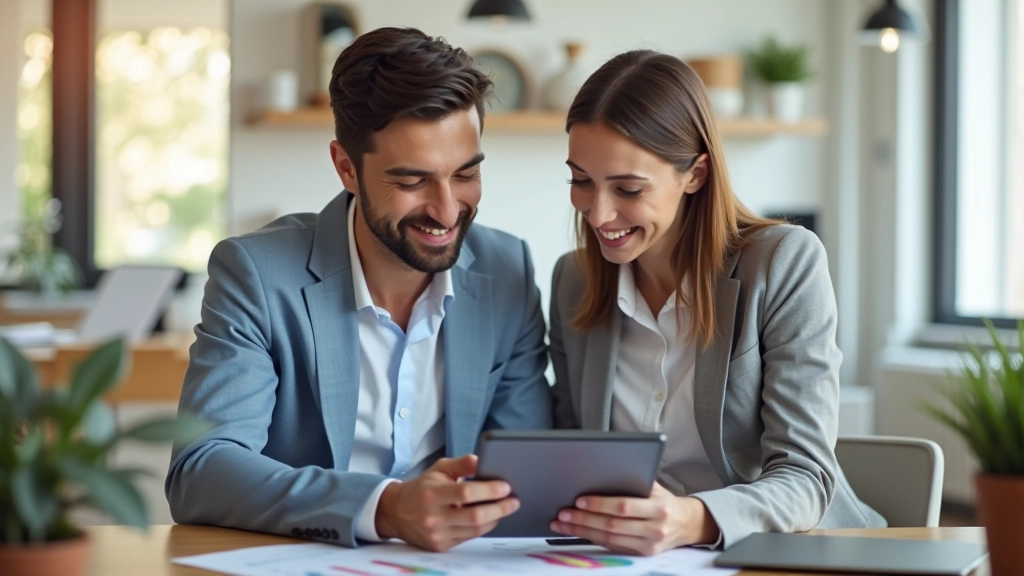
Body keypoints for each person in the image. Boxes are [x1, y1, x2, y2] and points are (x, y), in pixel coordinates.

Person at [166, 27, 552, 552]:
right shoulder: (255, 273)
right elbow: (201, 469)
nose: (445, 210)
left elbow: (527, 476)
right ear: (347, 168)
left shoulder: (508, 271)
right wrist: (385, 509)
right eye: (413, 181)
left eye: (465, 174)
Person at [548, 50, 886, 555]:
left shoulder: (782, 262)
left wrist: (691, 519)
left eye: (629, 188)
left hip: (792, 553)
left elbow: (807, 476)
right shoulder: (574, 279)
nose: (598, 213)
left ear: (696, 174)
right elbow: (567, 453)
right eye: (581, 180)